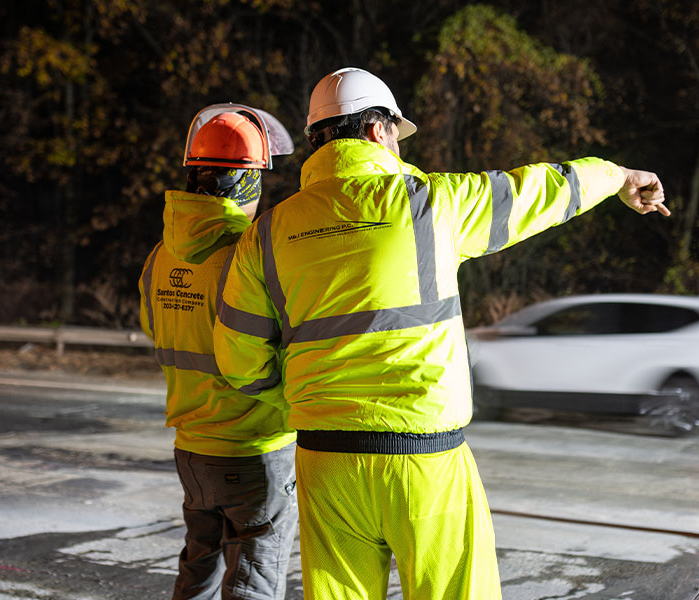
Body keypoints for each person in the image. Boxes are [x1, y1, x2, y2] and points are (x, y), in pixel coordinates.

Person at [212, 67, 670, 600]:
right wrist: (618, 175)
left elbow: (239, 358)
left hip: (325, 461)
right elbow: (537, 191)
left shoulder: (267, 234)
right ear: (378, 131)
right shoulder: (431, 203)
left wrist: (304, 401)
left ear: (316, 140)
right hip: (424, 458)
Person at [138, 104, 298, 600]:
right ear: (248, 182)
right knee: (253, 579)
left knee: (198, 575)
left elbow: (155, 329)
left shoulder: (160, 255)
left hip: (191, 451)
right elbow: (267, 352)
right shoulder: (247, 258)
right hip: (252, 451)